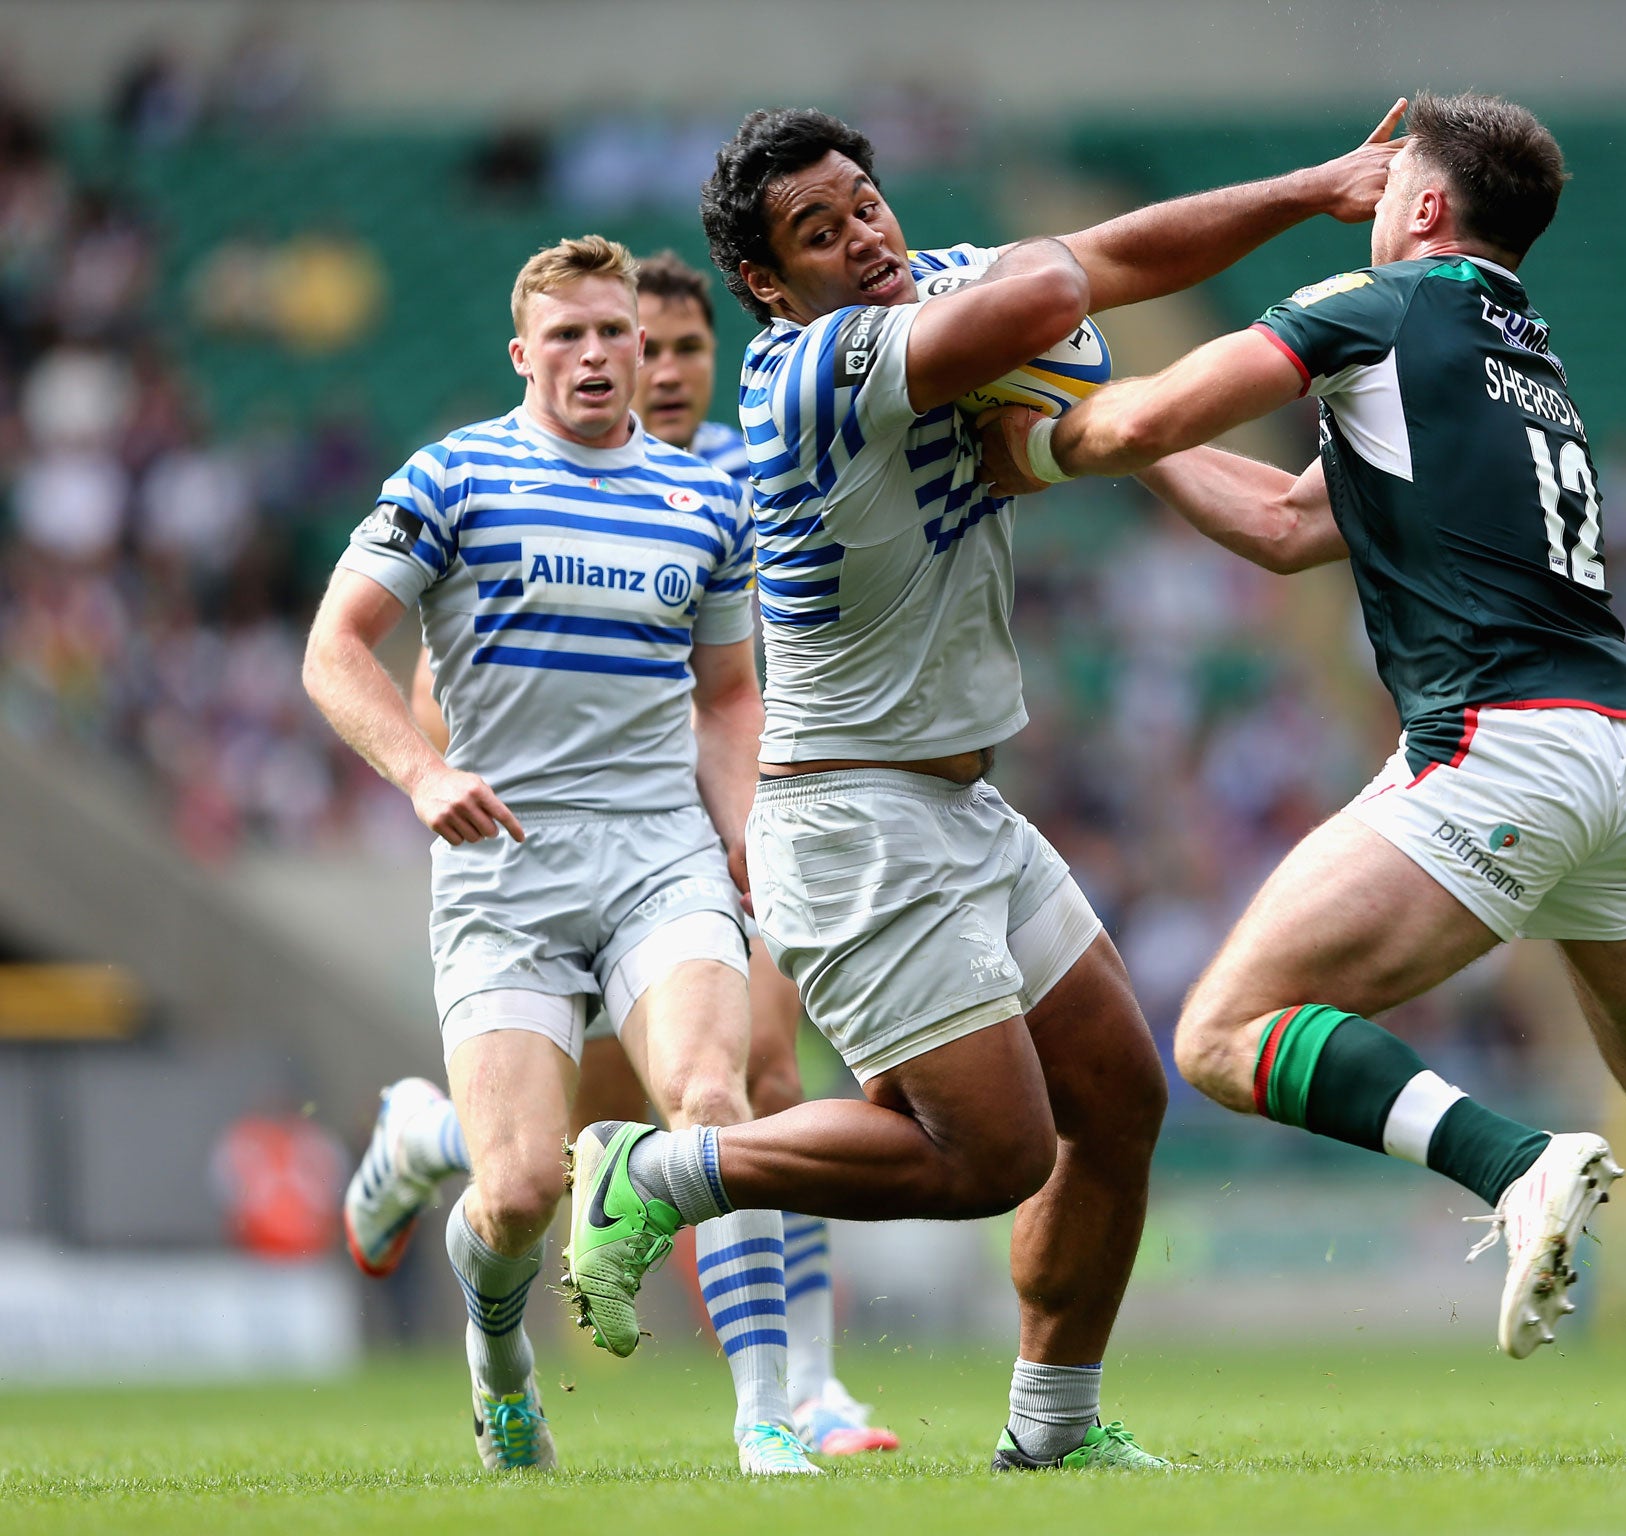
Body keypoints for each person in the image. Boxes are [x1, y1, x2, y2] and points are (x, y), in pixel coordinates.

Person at [975, 91, 1626, 1460]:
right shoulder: (1529, 362)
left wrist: (1036, 428)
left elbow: (1138, 430)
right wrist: (1111, 429)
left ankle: (1514, 1163)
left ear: (1424, 208)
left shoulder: (1371, 309)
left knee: (1224, 1035)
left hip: (1507, 746)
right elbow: (1286, 521)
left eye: (1387, 184)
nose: (1369, 203)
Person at [559, 103, 1407, 1473]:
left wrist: (1318, 186)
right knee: (992, 1155)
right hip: (854, 822)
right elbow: (1078, 279)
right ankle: (654, 1171)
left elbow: (1107, 259)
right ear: (771, 288)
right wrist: (1329, 296)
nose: (861, 236)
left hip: (958, 806)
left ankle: (1051, 1431)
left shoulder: (927, 288)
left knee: (1120, 1101)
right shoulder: (823, 364)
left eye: (863, 201)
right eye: (817, 233)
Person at [342, 249, 894, 1457]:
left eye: (615, 336)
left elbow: (728, 690)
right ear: (521, 354)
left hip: (659, 855)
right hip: (507, 873)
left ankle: (771, 1423)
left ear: (642, 352)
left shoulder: (707, 504)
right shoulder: (453, 477)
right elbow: (340, 647)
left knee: (717, 1103)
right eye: (567, 338)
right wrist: (427, 773)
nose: (595, 357)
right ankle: (498, 1359)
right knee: (527, 1183)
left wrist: (749, 833)